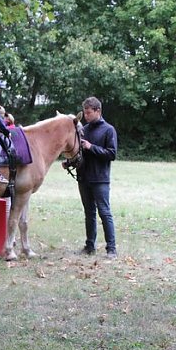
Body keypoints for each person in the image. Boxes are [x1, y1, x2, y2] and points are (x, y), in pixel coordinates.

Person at [75, 97, 118, 258]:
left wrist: (91, 147)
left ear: (97, 111)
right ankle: (89, 246)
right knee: (89, 213)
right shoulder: (83, 129)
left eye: (88, 113)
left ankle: (111, 249)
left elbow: (111, 154)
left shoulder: (108, 130)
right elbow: (80, 153)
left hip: (100, 179)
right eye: (84, 112)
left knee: (105, 213)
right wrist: (70, 162)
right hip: (83, 177)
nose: (85, 116)